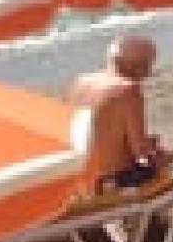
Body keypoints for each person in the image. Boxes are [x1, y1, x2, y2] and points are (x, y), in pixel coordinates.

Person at [69, 35, 166, 193]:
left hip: (81, 178)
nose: (148, 73)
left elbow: (97, 134)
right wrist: (160, 155)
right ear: (138, 66)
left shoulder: (81, 82)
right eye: (148, 66)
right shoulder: (128, 89)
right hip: (113, 181)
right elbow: (141, 153)